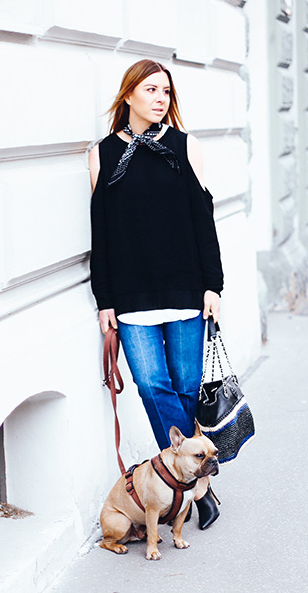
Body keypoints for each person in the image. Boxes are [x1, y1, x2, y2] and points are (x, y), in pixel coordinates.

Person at [89, 59, 224, 529]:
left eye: (166, 90)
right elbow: (100, 234)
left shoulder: (185, 147)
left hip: (186, 288)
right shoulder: (102, 154)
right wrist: (104, 300)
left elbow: (203, 219)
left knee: (186, 389)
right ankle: (195, 483)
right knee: (151, 386)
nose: (160, 98)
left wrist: (214, 284)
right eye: (150, 90)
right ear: (128, 96)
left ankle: (188, 488)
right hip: (130, 297)